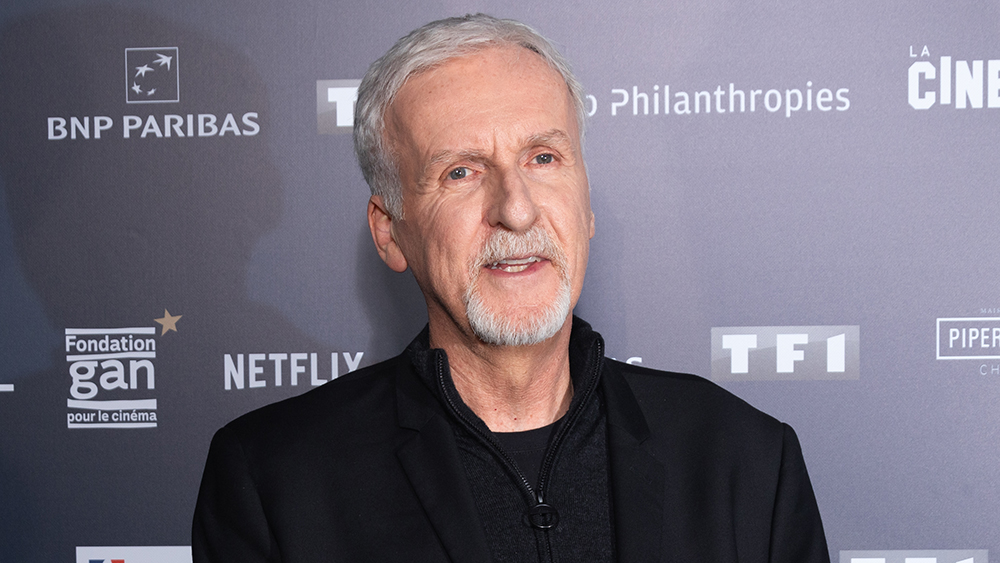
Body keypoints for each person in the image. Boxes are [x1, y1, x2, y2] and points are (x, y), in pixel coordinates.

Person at [192, 14, 829, 563]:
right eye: (461, 171)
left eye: (543, 158)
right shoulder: (275, 482)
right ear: (390, 231)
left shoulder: (745, 459)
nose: (516, 210)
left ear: (586, 206)